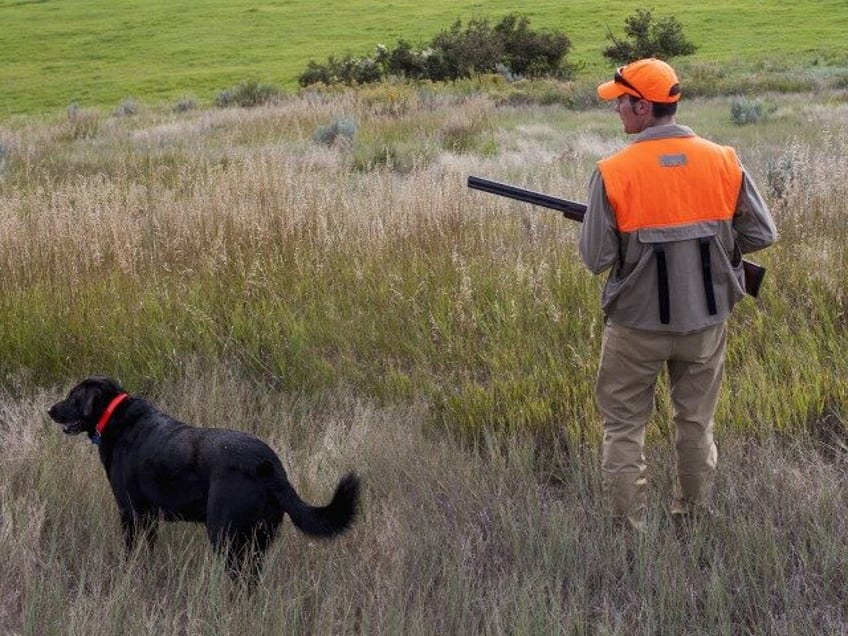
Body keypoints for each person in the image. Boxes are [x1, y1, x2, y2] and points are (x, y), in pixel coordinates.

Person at [579, 58, 777, 532]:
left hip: (635, 329)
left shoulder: (613, 171)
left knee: (625, 428)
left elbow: (597, 258)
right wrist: (713, 248)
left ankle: (627, 532)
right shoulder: (723, 159)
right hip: (705, 326)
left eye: (621, 102)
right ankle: (693, 519)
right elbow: (762, 233)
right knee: (695, 425)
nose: (617, 110)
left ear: (643, 106)